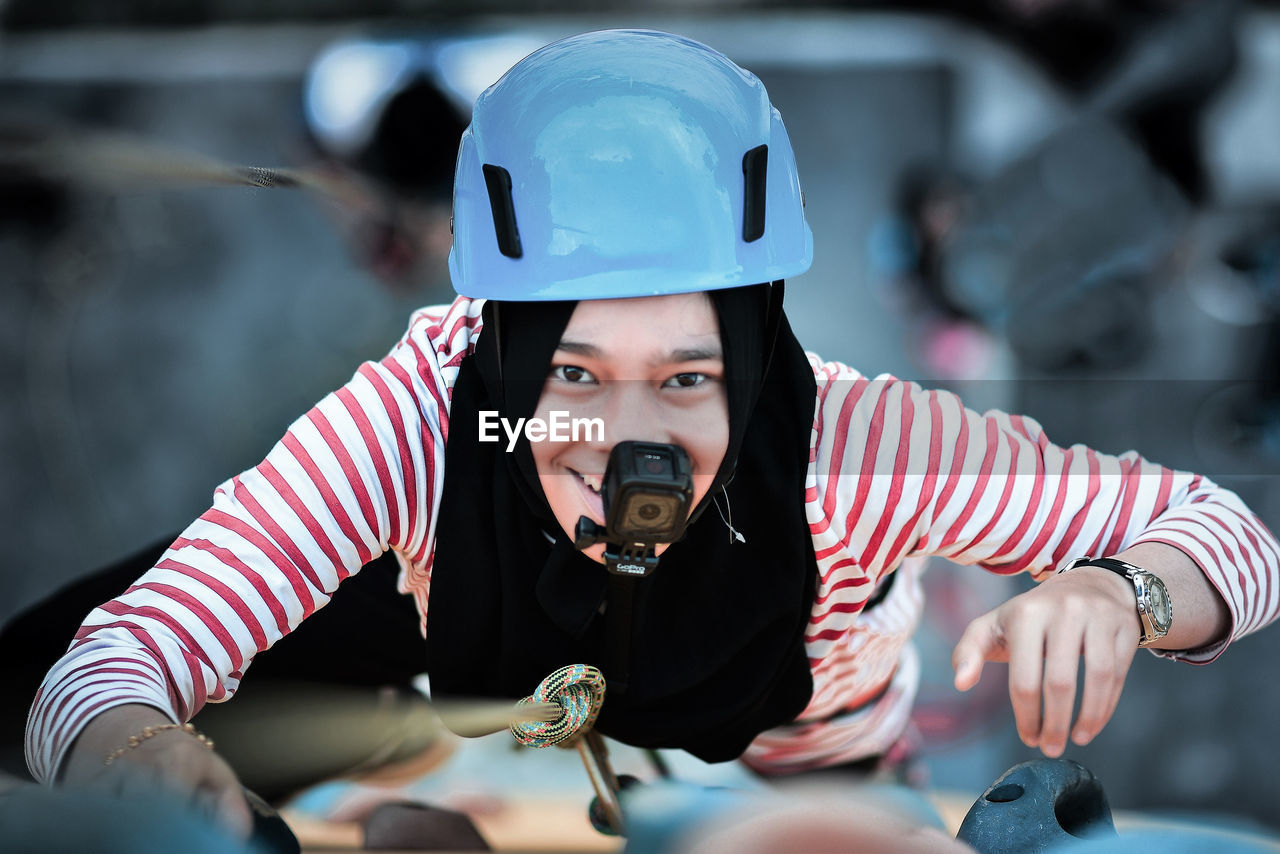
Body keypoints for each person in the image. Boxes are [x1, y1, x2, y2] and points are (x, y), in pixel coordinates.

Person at [23, 28, 1279, 842]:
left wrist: (1123, 590)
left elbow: (1224, 531)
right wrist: (130, 742)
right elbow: (122, 647)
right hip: (476, 685)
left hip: (815, 739)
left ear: (757, 355)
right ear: (498, 350)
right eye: (573, 372)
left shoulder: (844, 443)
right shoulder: (421, 417)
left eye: (687, 378)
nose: (632, 449)